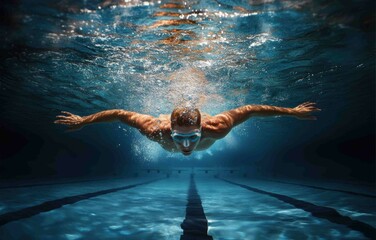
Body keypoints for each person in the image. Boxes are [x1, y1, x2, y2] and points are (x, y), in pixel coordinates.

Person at [54, 102, 320, 156]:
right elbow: (120, 114)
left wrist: (293, 112)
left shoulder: (217, 127)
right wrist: (84, 120)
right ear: (169, 128)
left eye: (192, 137)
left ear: (202, 127)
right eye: (179, 136)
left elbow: (250, 110)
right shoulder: (154, 129)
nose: (185, 145)